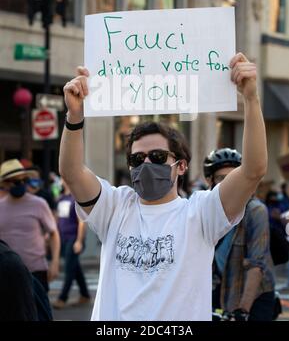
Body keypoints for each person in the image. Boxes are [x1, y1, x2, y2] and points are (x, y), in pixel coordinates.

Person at [59, 52, 267, 321]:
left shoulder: (201, 213)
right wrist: (74, 115)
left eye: (157, 157)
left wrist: (251, 98)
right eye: (137, 159)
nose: (146, 164)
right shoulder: (114, 206)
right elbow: (72, 172)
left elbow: (253, 170)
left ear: (181, 166)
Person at [203, 148, 275, 321]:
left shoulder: (255, 211)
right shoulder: (205, 208)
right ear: (210, 181)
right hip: (221, 288)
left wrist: (243, 310)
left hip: (254, 295)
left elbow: (256, 265)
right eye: (221, 178)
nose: (229, 184)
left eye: (233, 177)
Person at [0, 159, 60, 292]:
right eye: (16, 181)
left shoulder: (39, 204)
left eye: (24, 180)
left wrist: (55, 262)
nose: (21, 184)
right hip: (6, 273)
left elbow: (53, 233)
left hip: (36, 271)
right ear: (6, 184)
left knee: (39, 312)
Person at [52, 179, 90, 309]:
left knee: (69, 269)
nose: (62, 180)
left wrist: (79, 241)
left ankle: (62, 298)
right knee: (75, 268)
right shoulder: (61, 198)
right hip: (63, 238)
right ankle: (85, 295)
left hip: (73, 239)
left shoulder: (76, 199)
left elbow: (82, 222)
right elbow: (57, 219)